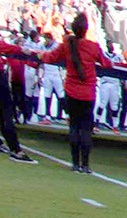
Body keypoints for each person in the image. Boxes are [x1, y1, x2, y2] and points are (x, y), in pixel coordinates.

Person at [44, 12, 109, 174]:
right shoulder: (93, 46)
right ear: (86, 29)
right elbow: (107, 63)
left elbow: (51, 57)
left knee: (73, 127)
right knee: (86, 129)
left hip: (71, 91)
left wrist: (39, 55)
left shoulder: (67, 43)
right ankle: (85, 165)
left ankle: (75, 163)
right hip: (88, 93)